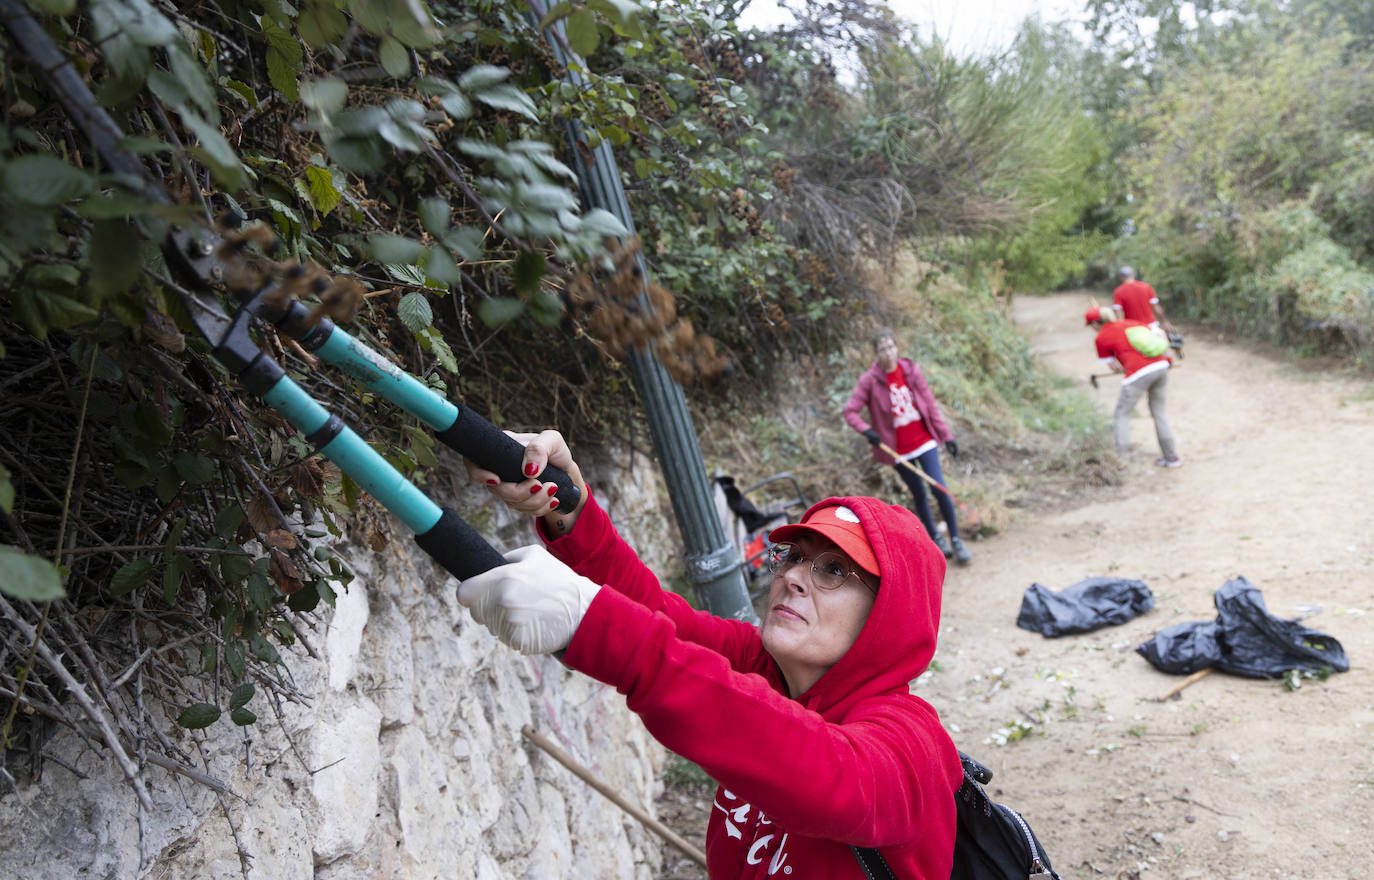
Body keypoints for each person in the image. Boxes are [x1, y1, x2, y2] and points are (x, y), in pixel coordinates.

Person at [460, 431, 963, 878]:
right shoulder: (763, 667)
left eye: (833, 570)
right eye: (794, 557)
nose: (790, 577)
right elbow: (654, 612)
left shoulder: (912, 743)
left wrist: (593, 622)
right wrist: (567, 507)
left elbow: (824, 772)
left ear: (889, 614)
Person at [842, 329, 971, 564]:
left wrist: (947, 436)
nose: (888, 353)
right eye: (883, 349)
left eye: (891, 347)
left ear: (897, 348)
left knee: (939, 488)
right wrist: (867, 431)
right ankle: (936, 540)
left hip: (924, 441)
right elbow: (850, 411)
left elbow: (929, 405)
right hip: (898, 451)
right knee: (919, 494)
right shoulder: (870, 381)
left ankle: (956, 539)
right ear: (876, 353)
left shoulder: (910, 371)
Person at [1085, 305, 1181, 467]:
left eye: (1090, 326)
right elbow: (1159, 336)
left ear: (1095, 324)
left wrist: (1127, 367)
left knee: (1121, 414)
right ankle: (1171, 458)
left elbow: (1115, 367)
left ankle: (1121, 461)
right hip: (1161, 366)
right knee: (1159, 412)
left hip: (1137, 374)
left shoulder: (1101, 338)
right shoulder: (1130, 323)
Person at [1111, 265, 1176, 335]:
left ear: (1121, 277)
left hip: (1134, 329)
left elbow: (1119, 314)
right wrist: (1165, 321)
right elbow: (1156, 308)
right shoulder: (1146, 286)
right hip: (1152, 327)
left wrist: (1120, 329)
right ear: (1133, 275)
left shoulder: (1118, 291)